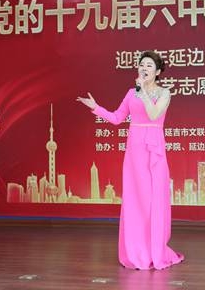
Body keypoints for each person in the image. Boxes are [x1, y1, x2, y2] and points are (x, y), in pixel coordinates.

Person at [77, 50, 184, 270]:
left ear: (158, 71)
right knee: (136, 200)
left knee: (153, 199)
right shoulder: (130, 93)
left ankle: (155, 250)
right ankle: (137, 250)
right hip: (135, 151)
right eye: (142, 64)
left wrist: (142, 90)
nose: (144, 68)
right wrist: (96, 108)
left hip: (154, 150)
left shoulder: (164, 93)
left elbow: (153, 114)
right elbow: (117, 118)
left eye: (149, 65)